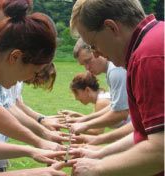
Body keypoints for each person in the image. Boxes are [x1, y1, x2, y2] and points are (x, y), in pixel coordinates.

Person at [0, 0, 68, 175]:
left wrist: (32, 151)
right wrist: (34, 173)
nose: (28, 80)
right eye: (34, 72)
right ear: (15, 57)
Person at [67, 0, 164, 175]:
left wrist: (97, 168)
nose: (96, 53)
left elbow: (160, 152)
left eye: (94, 45)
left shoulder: (147, 57)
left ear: (111, 28)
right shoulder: (153, 41)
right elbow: (143, 134)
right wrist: (100, 153)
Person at [67, 38, 129, 135]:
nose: (87, 68)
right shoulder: (111, 70)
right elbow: (114, 107)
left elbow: (121, 113)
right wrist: (83, 119)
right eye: (83, 64)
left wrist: (86, 125)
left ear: (98, 50)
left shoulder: (115, 71)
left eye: (88, 61)